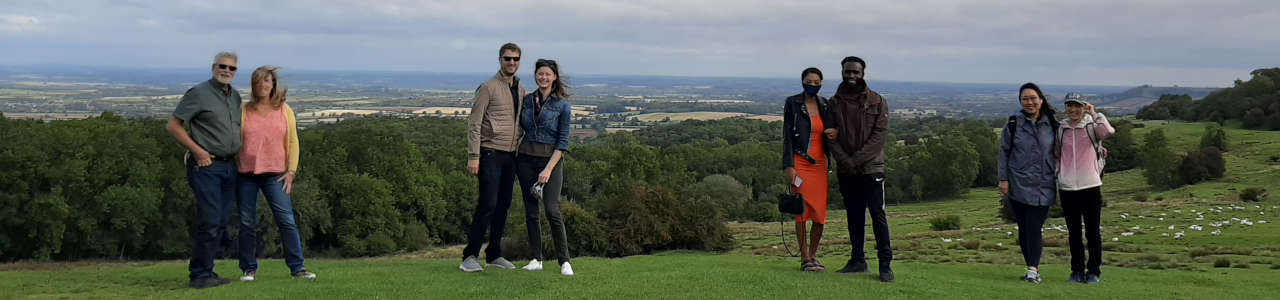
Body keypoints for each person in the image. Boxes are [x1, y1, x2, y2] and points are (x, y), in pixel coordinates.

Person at [166, 51, 242, 289]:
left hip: (230, 166)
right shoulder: (198, 93)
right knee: (209, 220)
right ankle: (199, 275)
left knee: (220, 221)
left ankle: (207, 271)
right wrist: (196, 150)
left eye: (232, 68)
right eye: (222, 66)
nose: (227, 71)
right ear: (213, 67)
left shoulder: (235, 96)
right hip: (206, 166)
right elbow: (173, 125)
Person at [234, 66, 316, 281]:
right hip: (246, 174)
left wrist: (291, 171)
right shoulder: (243, 110)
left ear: (273, 84)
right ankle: (248, 269)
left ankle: (297, 268)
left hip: (276, 174)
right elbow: (228, 137)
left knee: (286, 221)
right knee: (246, 223)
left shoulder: (284, 110)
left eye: (267, 81)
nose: (263, 85)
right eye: (259, 81)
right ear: (254, 85)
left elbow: (293, 141)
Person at [826, 56, 894, 282]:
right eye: (848, 72)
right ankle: (857, 261)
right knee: (854, 217)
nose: (852, 76)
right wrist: (845, 161)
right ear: (842, 72)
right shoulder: (834, 103)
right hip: (846, 171)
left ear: (863, 73)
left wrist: (854, 160)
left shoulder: (877, 101)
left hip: (871, 169)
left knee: (878, 216)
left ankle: (885, 265)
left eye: (856, 72)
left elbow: (879, 137)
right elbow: (830, 135)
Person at [461, 43, 526, 272]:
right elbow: (474, 123)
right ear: (500, 59)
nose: (511, 63)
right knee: (487, 204)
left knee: (504, 205)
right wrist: (473, 156)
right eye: (507, 59)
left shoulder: (520, 88)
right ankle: (470, 256)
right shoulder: (488, 88)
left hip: (511, 156)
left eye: (516, 59)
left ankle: (494, 255)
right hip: (489, 153)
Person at [516, 59, 574, 276]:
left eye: (547, 74)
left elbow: (563, 142)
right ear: (536, 76)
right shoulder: (527, 100)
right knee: (531, 212)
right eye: (540, 74)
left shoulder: (562, 105)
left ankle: (564, 261)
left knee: (552, 210)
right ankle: (536, 258)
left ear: (554, 77)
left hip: (551, 162)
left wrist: (548, 169)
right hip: (525, 159)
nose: (543, 77)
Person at [998, 82, 1060, 284]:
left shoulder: (1053, 124)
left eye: (1033, 98)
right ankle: (1031, 268)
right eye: (1025, 99)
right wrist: (1003, 179)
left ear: (1041, 99)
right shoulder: (1014, 123)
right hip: (1018, 184)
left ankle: (1033, 270)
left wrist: (1098, 148)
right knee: (1024, 229)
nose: (1029, 102)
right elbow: (1004, 152)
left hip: (1044, 185)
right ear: (1020, 102)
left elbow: (1068, 148)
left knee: (1034, 227)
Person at [782, 67, 837, 272]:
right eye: (809, 81)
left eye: (816, 82)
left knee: (820, 214)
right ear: (802, 81)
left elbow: (833, 128)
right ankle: (804, 257)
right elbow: (787, 136)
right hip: (800, 162)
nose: (812, 85)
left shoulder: (825, 104)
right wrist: (789, 166)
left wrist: (835, 132)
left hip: (821, 163)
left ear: (821, 83)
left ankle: (814, 255)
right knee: (802, 212)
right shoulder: (793, 103)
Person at [1057, 93, 1113, 284]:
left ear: (1083, 107)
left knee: (1092, 232)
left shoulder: (1091, 126)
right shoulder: (1062, 129)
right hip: (1067, 188)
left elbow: (1107, 132)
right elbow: (1057, 154)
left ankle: (1094, 271)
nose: (1073, 110)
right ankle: (1077, 271)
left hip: (1090, 186)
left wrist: (1094, 112)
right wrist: (1060, 174)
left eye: (1077, 106)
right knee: (1073, 233)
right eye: (1069, 106)